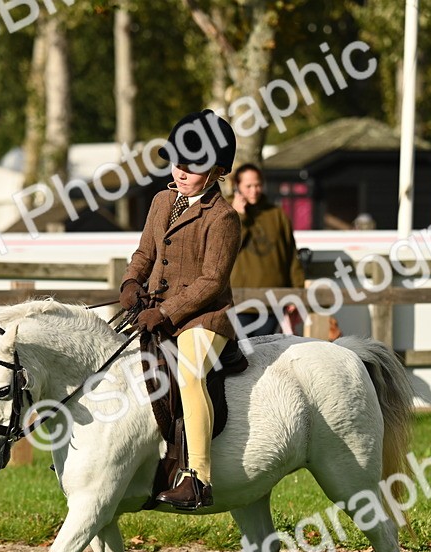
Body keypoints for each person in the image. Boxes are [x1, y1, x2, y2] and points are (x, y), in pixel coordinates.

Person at [119, 109, 241, 511]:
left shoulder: (223, 217)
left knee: (190, 375)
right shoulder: (161, 200)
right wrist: (131, 282)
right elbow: (144, 253)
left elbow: (211, 282)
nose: (183, 171)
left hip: (204, 317)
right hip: (156, 308)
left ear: (217, 170)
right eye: (179, 161)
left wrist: (167, 313)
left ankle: (199, 479)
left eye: (195, 165)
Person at [228, 163, 305, 337]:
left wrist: (296, 292)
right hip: (238, 303)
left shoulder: (276, 214)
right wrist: (239, 215)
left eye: (258, 185)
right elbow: (228, 247)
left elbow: (291, 255)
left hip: (273, 302)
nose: (254, 190)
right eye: (248, 186)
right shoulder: (226, 211)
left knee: (266, 354)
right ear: (237, 186)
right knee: (241, 355)